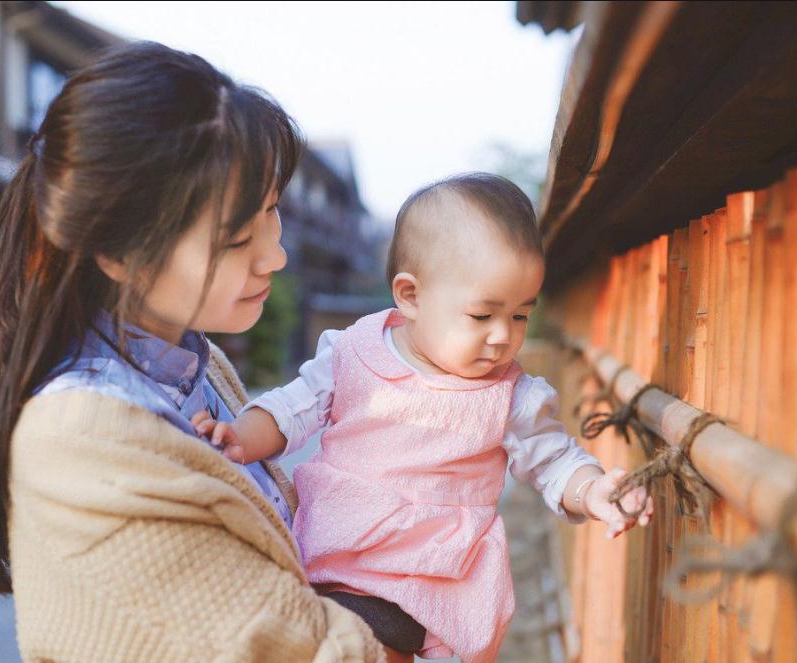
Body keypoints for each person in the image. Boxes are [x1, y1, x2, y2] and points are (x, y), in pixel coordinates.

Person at [0, 41, 384, 662]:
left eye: (272, 211)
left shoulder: (189, 360)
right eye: (234, 239)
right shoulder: (83, 434)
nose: (274, 257)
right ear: (119, 252)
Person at [192, 173, 655, 663]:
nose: (503, 336)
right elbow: (293, 408)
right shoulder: (355, 352)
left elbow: (555, 461)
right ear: (411, 296)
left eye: (520, 315)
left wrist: (593, 489)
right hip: (337, 550)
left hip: (434, 575)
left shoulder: (510, 395)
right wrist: (239, 437)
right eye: (482, 316)